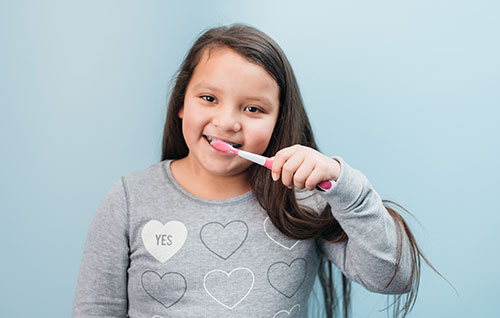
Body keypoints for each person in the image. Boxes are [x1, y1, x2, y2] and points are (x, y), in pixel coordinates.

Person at [73, 23, 432, 318]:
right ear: (181, 102)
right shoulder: (129, 200)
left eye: (254, 109)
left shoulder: (301, 199)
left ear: (279, 122)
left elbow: (391, 278)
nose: (227, 122)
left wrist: (343, 185)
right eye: (209, 98)